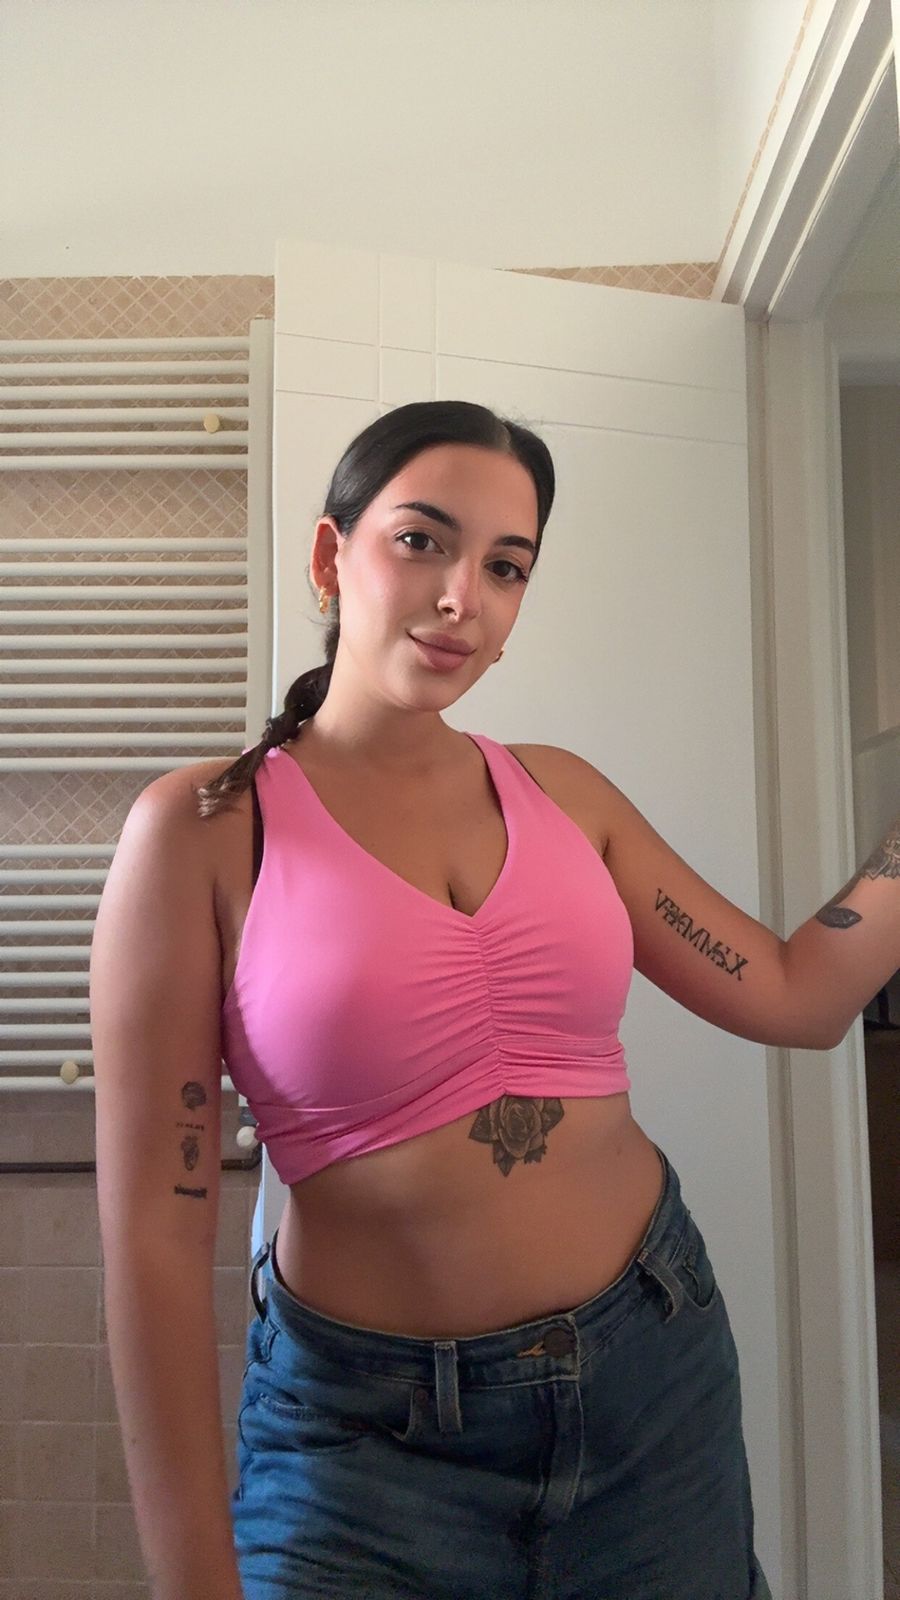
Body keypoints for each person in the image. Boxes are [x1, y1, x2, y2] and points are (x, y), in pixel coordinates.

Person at [92, 400, 774, 1599]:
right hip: (366, 1447)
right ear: (330, 555)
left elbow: (797, 992)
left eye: (506, 567)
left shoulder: (566, 795)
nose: (464, 596)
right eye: (422, 541)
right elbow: (156, 1232)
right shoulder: (204, 829)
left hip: (651, 1379)